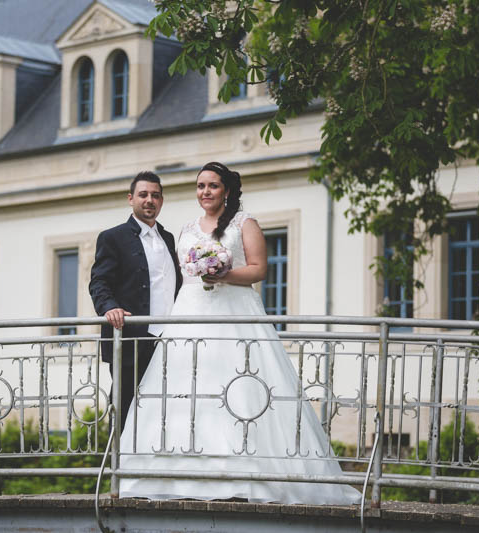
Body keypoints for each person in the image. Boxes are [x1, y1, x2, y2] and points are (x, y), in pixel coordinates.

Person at [118, 162, 361, 505]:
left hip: (234, 313)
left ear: (226, 190)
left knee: (239, 384)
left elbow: (259, 269)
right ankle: (171, 473)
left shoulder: (244, 223)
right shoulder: (185, 230)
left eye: (213, 186)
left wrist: (223, 274)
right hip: (189, 314)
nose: (205, 192)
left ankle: (247, 473)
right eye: (201, 186)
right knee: (184, 387)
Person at [89, 171, 181, 425]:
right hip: (130, 339)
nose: (149, 200)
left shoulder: (169, 239)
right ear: (131, 199)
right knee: (126, 409)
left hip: (168, 342)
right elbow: (99, 281)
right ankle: (117, 464)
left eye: (155, 195)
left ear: (161, 201)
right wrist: (110, 307)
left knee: (164, 411)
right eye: (143, 195)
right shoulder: (112, 237)